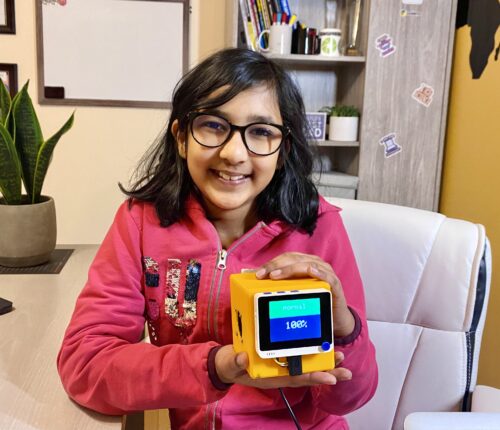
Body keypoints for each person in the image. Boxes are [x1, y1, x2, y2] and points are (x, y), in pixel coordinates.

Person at [57, 48, 377, 429]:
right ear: (181, 137)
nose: (234, 153)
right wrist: (215, 367)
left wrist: (345, 330)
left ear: (283, 149)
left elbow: (349, 398)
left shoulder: (319, 227)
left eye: (260, 132)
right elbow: (85, 365)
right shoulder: (141, 223)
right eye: (213, 125)